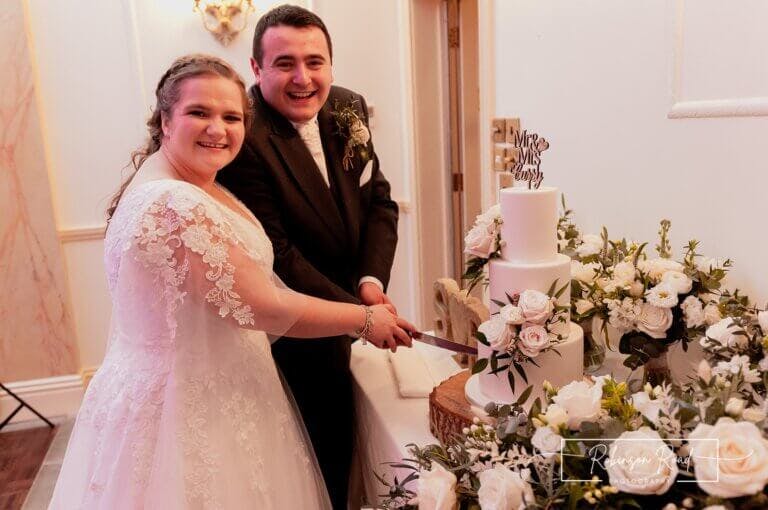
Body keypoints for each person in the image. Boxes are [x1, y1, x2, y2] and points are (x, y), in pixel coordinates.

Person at [48, 54, 415, 509]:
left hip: (219, 390)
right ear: (165, 120)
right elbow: (263, 306)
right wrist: (362, 320)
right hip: (188, 412)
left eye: (232, 117)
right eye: (199, 112)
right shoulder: (174, 202)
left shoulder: (197, 183)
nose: (217, 129)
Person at [217, 6, 399, 507]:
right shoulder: (243, 136)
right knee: (320, 464)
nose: (303, 78)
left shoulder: (348, 106)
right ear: (256, 69)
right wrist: (361, 317)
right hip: (293, 334)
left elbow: (379, 202)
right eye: (285, 63)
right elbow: (277, 254)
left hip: (354, 309)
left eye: (315, 62)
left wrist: (370, 284)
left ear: (331, 65)